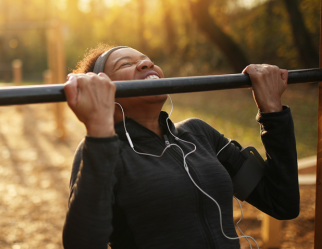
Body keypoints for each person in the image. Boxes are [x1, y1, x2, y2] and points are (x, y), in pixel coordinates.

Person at [62, 44, 299, 249]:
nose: (146, 63)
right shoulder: (99, 149)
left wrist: (272, 114)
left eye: (148, 60)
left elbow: (280, 202)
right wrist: (100, 132)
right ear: (103, 90)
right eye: (125, 64)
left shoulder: (199, 133)